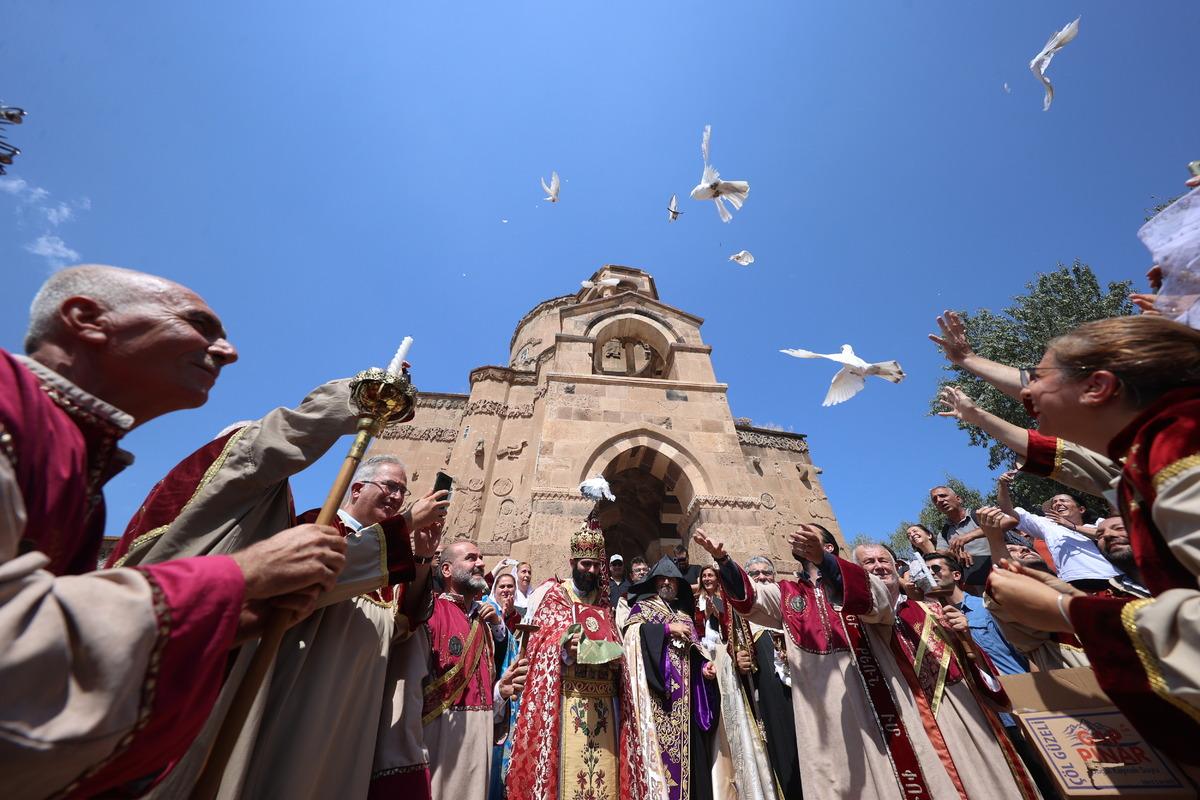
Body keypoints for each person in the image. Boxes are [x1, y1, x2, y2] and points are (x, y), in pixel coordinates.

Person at [0, 264, 349, 799]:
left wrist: (229, 620)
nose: (227, 351)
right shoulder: (11, 414)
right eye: (199, 325)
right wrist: (237, 577)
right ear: (86, 320)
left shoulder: (77, 460)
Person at [120, 444, 446, 799]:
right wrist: (408, 522)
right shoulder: (318, 526)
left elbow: (401, 624)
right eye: (390, 487)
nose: (398, 497)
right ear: (357, 489)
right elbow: (323, 577)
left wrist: (423, 557)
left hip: (358, 705)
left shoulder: (391, 558)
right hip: (306, 683)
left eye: (402, 490)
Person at [984, 315, 1200, 769]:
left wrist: (1065, 612)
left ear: (1097, 387)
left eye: (1038, 377)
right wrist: (1061, 593)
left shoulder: (1182, 443)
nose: (1025, 393)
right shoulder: (1147, 455)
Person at [696, 526, 972, 799]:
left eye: (811, 537)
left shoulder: (858, 580)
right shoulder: (788, 592)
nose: (800, 537)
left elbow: (879, 604)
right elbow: (751, 600)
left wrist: (825, 562)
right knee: (834, 776)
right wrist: (724, 561)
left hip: (875, 693)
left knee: (896, 772)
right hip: (820, 706)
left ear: (828, 547)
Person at [852, 544, 1040, 800]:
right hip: (908, 724)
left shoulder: (934, 610)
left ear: (897, 567)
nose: (878, 566)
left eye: (883, 560)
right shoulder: (857, 625)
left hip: (962, 714)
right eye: (869, 562)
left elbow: (976, 667)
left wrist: (966, 639)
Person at [506, 513, 648, 800]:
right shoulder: (556, 596)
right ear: (573, 563)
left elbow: (619, 647)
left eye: (597, 565)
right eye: (586, 564)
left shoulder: (607, 604)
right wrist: (562, 648)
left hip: (606, 702)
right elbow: (539, 644)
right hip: (566, 701)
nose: (592, 571)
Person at [623, 557, 720, 800]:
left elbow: (697, 651)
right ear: (654, 583)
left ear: (678, 585)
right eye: (662, 578)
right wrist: (667, 630)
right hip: (656, 698)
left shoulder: (685, 616)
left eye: (672, 579)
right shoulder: (642, 609)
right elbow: (632, 636)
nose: (667, 582)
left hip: (686, 701)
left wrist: (705, 667)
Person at [422, 540, 508, 800]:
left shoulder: (483, 623)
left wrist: (500, 692)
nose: (481, 563)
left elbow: (482, 688)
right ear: (446, 570)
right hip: (440, 736)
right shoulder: (431, 612)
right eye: (471, 558)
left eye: (481, 558)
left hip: (480, 736)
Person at [694, 564, 778, 800]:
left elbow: (732, 631)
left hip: (725, 657)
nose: (708, 578)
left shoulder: (727, 601)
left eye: (712, 575)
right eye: (704, 576)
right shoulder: (695, 601)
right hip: (706, 656)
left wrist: (717, 612)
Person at [740, 556, 802, 798]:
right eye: (755, 574)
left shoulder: (793, 606)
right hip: (769, 695)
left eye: (766, 572)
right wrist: (736, 660)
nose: (762, 577)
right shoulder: (739, 615)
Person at [995, 472, 1122, 590]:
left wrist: (1072, 526)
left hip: (1115, 579)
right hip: (1075, 582)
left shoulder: (1099, 524)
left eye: (1063, 500)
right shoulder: (1047, 525)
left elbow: (1111, 535)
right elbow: (1008, 511)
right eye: (1054, 503)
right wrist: (1002, 485)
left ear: (1081, 509)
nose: (1057, 504)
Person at [929, 485, 990, 593]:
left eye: (943, 496)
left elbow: (1008, 522)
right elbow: (941, 553)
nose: (939, 500)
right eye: (935, 499)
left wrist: (968, 536)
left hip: (1002, 570)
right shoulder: (944, 533)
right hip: (979, 585)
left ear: (958, 499)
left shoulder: (978, 515)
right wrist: (954, 553)